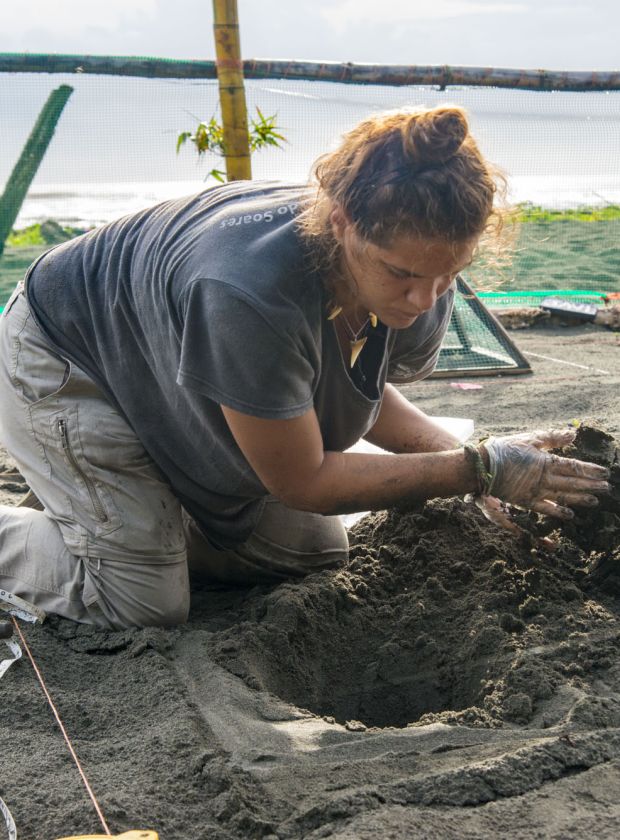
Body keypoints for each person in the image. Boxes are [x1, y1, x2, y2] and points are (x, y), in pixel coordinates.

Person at [0, 105, 610, 630]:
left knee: (313, 551)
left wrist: (476, 457)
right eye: (402, 274)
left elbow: (355, 393)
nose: (426, 299)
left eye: (448, 273)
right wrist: (479, 469)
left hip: (166, 360)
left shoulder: (414, 269)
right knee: (142, 603)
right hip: (72, 355)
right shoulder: (250, 291)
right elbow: (304, 483)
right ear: (341, 221)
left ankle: (116, 519)